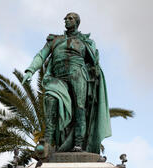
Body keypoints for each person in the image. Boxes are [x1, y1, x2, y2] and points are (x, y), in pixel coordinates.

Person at [22, 12, 111, 154]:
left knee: (80, 107)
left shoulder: (85, 42)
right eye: (65, 18)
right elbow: (41, 55)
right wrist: (30, 70)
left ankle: (78, 143)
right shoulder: (55, 40)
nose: (66, 20)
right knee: (51, 100)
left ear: (77, 22)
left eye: (70, 18)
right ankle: (49, 141)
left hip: (78, 74)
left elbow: (94, 62)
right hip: (57, 77)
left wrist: (95, 70)